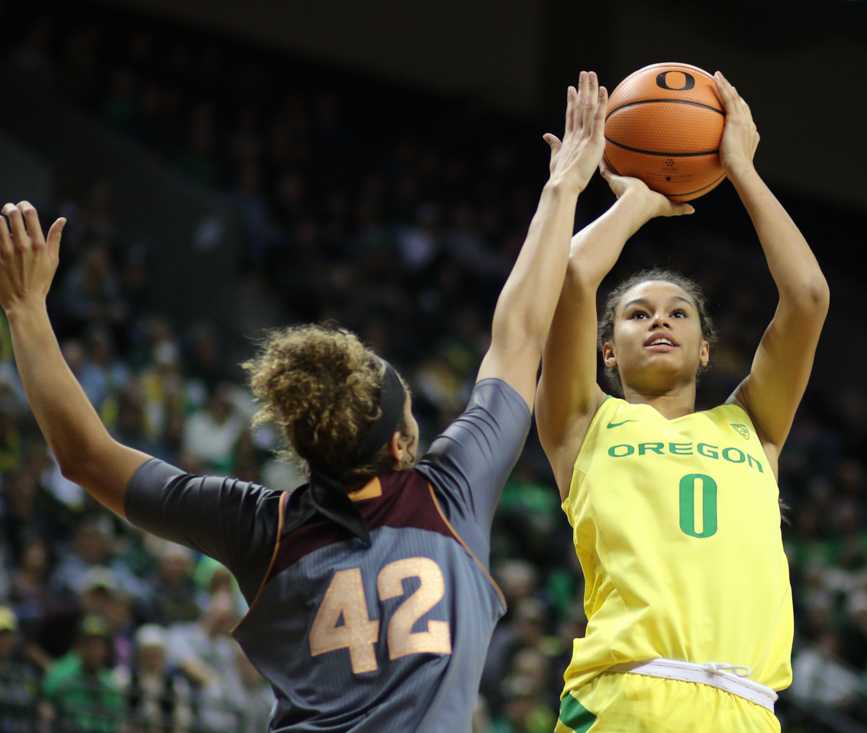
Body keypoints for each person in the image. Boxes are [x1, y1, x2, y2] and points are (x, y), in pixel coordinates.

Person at [0, 70, 609, 731]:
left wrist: (25, 308)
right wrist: (564, 184)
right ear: (402, 445)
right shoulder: (450, 490)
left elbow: (85, 456)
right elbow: (520, 329)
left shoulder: (260, 525)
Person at [536, 71, 829, 732]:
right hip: (625, 698)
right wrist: (637, 203)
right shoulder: (582, 420)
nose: (660, 320)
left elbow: (808, 297)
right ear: (606, 350)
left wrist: (741, 170)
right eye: (637, 315)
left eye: (679, 312)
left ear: (704, 348)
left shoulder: (752, 424)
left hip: (747, 709)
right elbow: (575, 274)